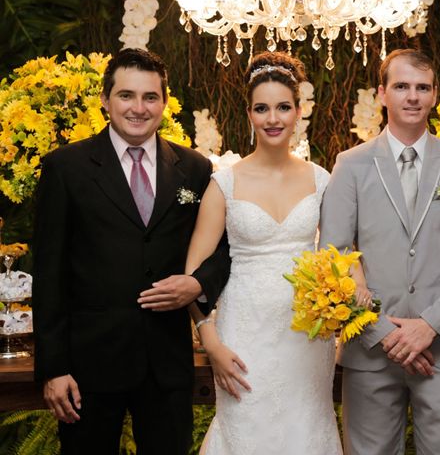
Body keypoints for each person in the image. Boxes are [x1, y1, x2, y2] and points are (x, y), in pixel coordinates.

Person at [32, 48, 231, 455]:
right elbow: (48, 274)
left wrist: (197, 284)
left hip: (166, 365)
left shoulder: (195, 169)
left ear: (164, 101)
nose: (138, 108)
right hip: (88, 369)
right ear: (105, 100)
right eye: (126, 95)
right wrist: (54, 369)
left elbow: (224, 249)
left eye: (150, 97)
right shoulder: (65, 168)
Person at [319, 48, 440, 455]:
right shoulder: (351, 164)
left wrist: (428, 327)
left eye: (422, 87)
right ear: (382, 93)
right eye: (401, 86)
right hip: (370, 348)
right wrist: (384, 334)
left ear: (435, 95)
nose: (412, 96)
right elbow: (334, 256)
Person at [187, 51, 342, 455]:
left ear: (298, 111)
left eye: (282, 107)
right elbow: (194, 274)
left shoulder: (322, 180)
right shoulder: (224, 184)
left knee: (306, 431)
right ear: (249, 113)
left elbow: (340, 258)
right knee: (247, 430)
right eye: (262, 108)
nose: (273, 118)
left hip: (308, 336)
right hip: (243, 333)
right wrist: (212, 344)